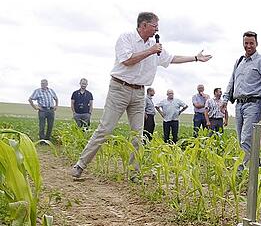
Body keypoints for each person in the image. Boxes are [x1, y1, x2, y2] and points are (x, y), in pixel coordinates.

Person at [71, 12, 212, 179]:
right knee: (105, 129)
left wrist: (196, 58)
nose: (157, 29)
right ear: (143, 25)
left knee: (138, 134)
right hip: (119, 88)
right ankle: (80, 165)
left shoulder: (155, 46)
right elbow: (127, 60)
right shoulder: (127, 38)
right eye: (154, 26)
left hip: (139, 93)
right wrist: (151, 51)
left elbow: (172, 58)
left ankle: (134, 173)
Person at [223, 31, 261, 167]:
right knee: (242, 138)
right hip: (238, 104)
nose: (248, 46)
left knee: (246, 138)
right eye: (246, 43)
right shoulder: (239, 61)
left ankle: (244, 169)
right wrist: (224, 100)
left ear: (256, 44)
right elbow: (232, 81)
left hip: (253, 104)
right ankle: (259, 168)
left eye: (251, 43)